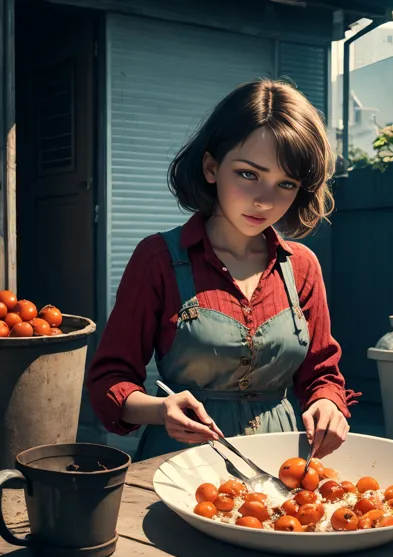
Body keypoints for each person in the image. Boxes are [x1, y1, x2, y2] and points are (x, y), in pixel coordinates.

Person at [86, 78, 359, 462]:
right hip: (179, 465)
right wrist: (159, 409)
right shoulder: (157, 258)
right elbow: (109, 382)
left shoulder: (302, 267)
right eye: (249, 174)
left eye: (286, 183)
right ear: (212, 167)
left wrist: (328, 404)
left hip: (281, 468)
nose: (264, 200)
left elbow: (321, 375)